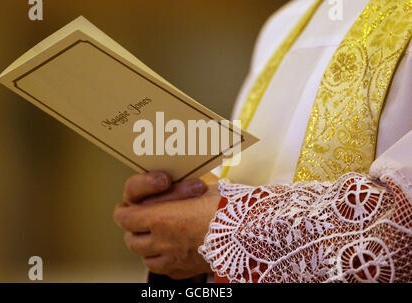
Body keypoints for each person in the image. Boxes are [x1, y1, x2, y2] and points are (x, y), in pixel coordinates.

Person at [114, 0, 412, 283]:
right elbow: (246, 180)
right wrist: (178, 226)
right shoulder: (285, 24)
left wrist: (221, 231)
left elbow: (400, 226)